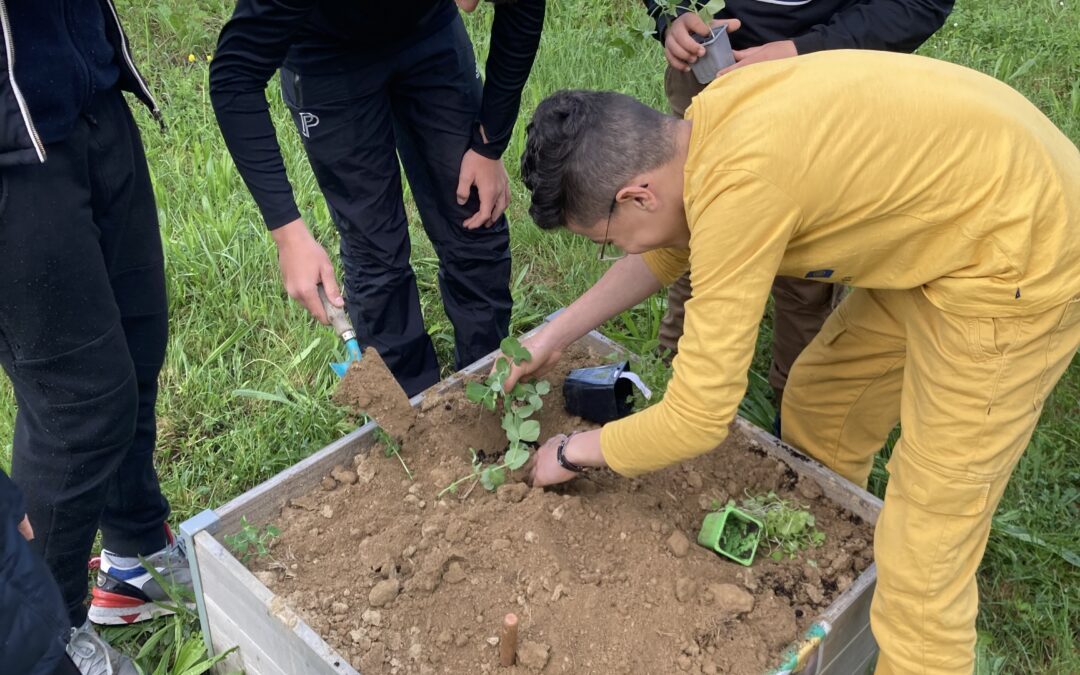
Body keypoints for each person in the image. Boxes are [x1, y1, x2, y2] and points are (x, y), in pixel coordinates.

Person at [506, 52, 1080, 673]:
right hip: (953, 220)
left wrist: (571, 453)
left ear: (637, 194)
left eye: (605, 241)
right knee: (822, 397)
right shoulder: (703, 131)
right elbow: (672, 251)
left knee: (926, 558)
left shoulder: (742, 186)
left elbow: (698, 417)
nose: (614, 250)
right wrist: (553, 336)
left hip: (1018, 256)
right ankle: (824, 562)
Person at [210, 0, 545, 397]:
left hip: (429, 33)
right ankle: (411, 416)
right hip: (325, 54)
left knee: (475, 216)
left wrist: (489, 144)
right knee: (376, 256)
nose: (473, 6)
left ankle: (487, 387)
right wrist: (289, 236)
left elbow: (522, 8)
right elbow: (234, 76)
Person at [642, 0, 953, 416]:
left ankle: (796, 407)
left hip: (824, 76)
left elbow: (917, 5)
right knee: (697, 223)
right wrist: (670, 16)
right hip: (708, 64)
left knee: (804, 267)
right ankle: (675, 366)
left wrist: (804, 50)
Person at [0, 1, 189, 670]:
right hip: (11, 146)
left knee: (137, 348)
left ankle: (136, 556)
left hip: (89, 88)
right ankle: (46, 637)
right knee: (78, 408)